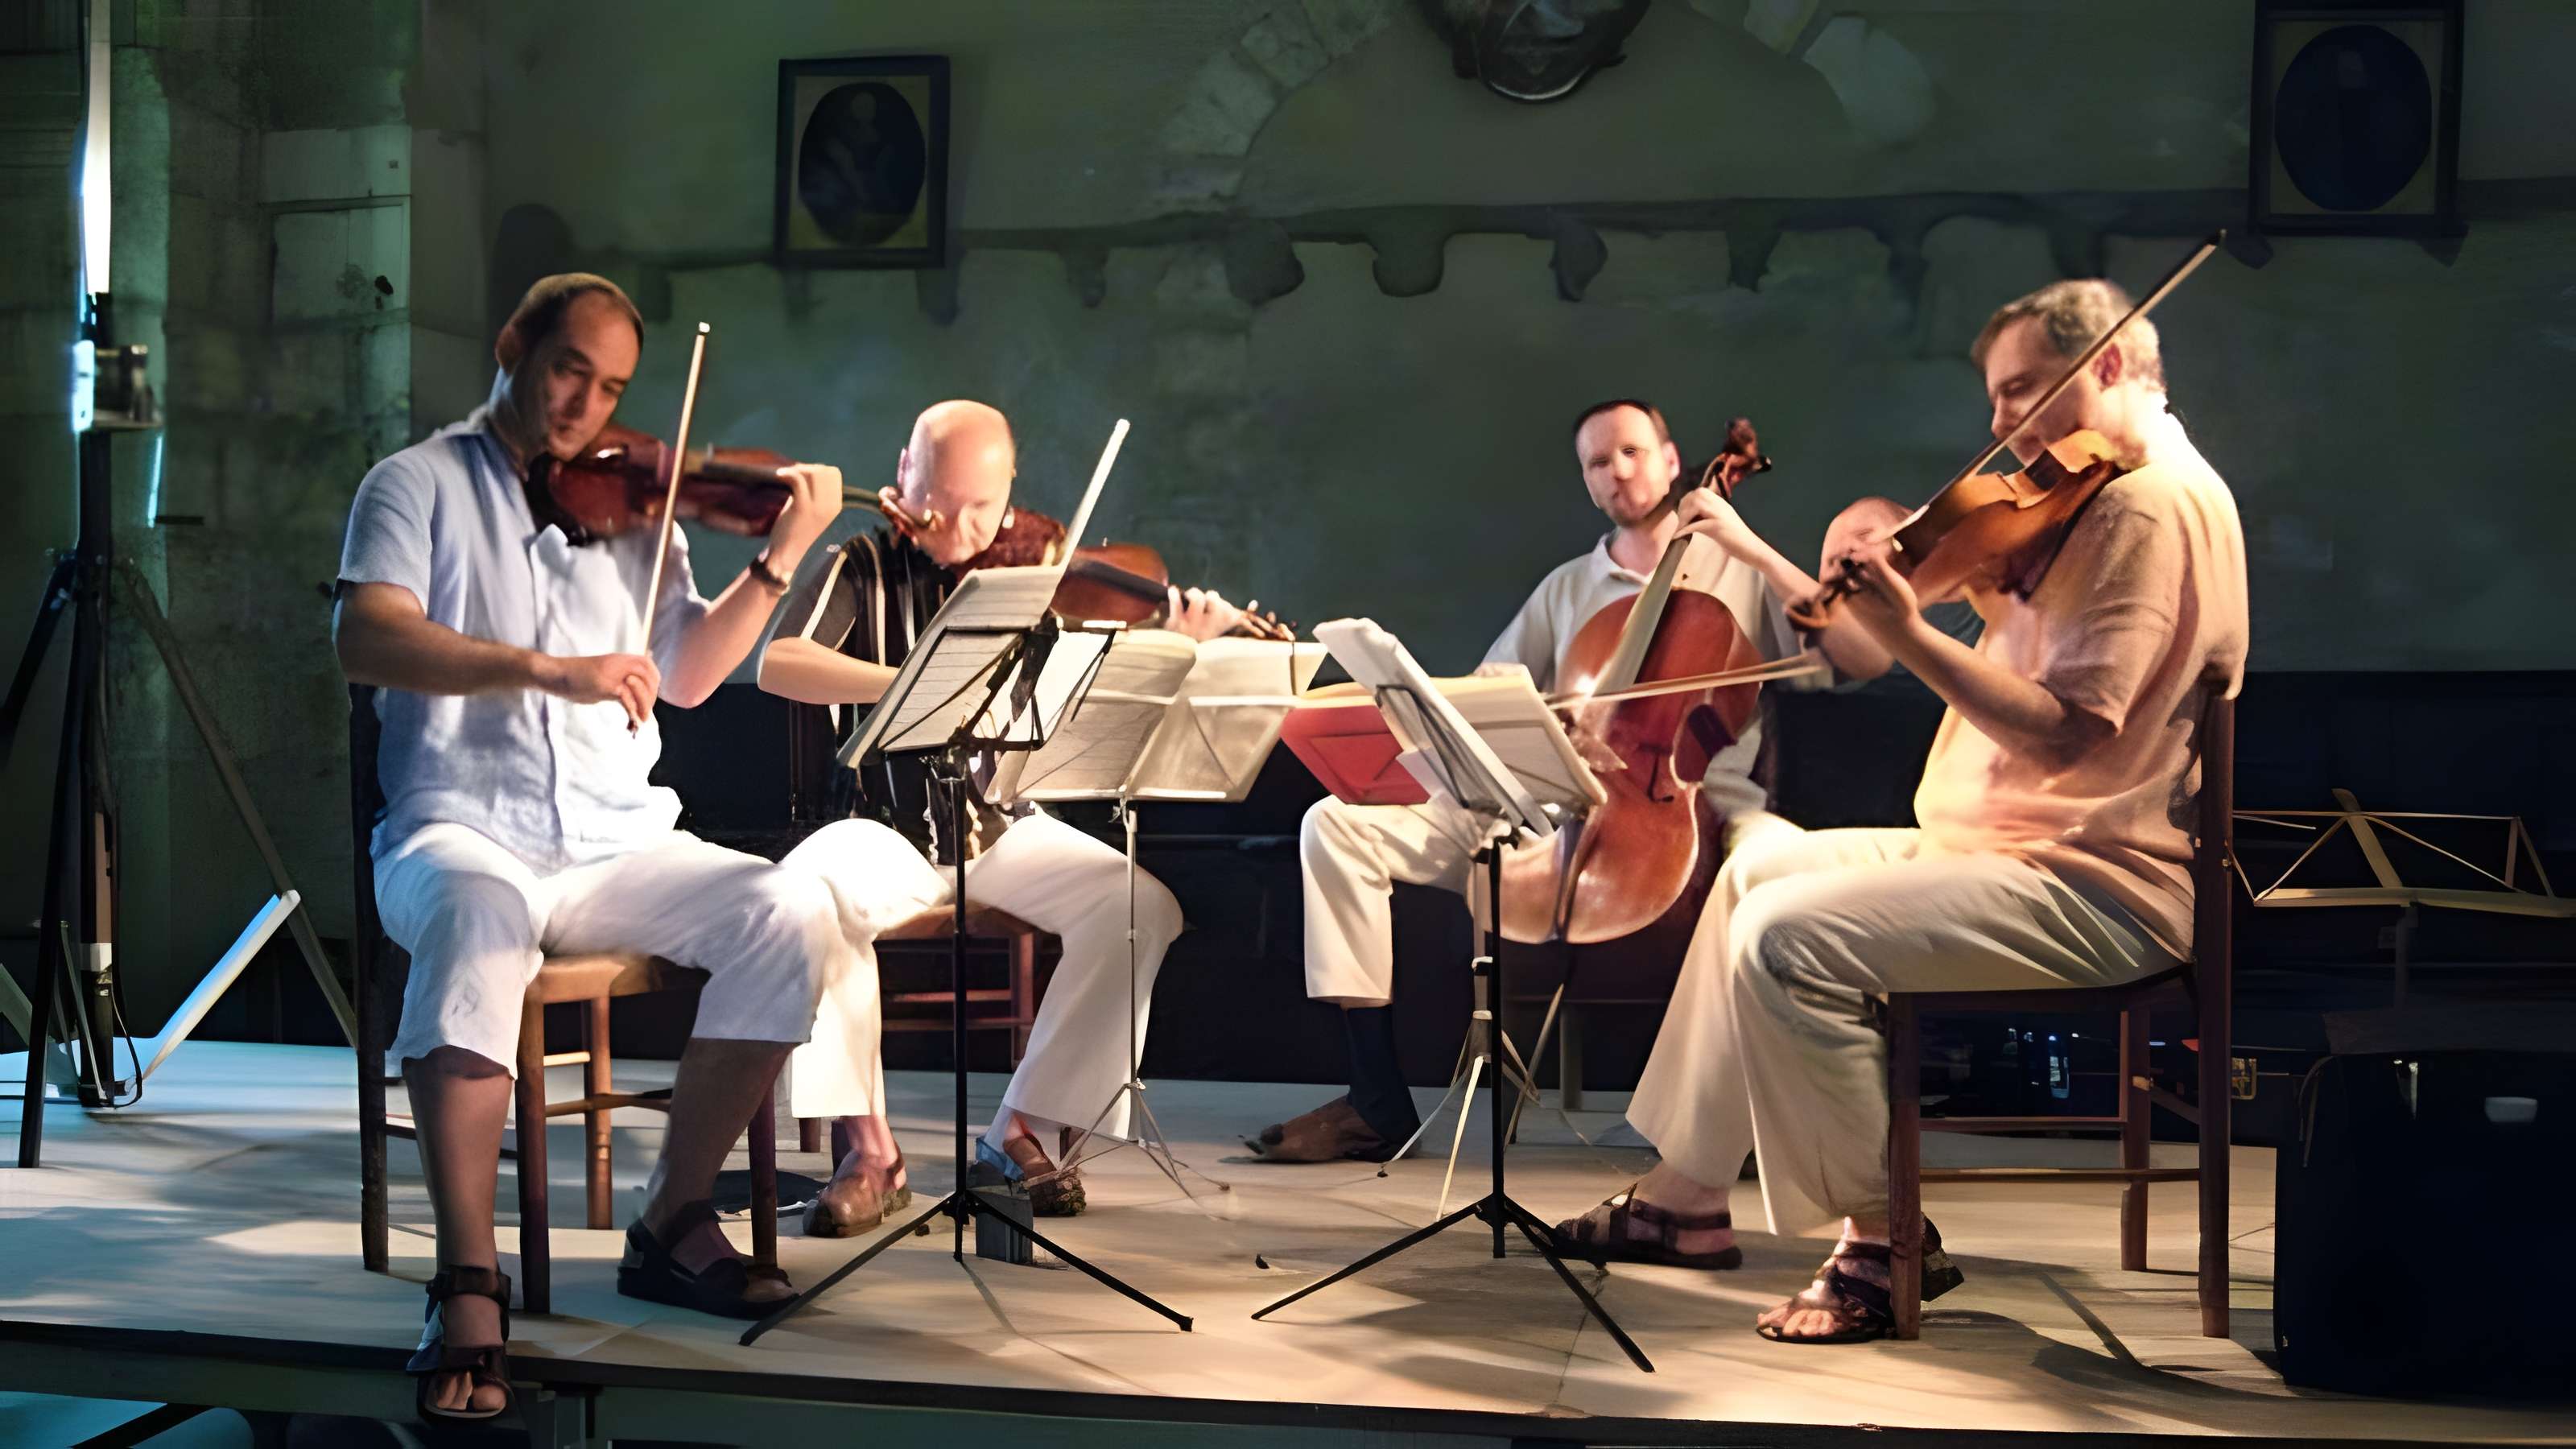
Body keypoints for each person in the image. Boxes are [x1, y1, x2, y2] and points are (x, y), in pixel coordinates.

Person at [1548, 279, 2249, 1346]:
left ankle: (1882, 1246)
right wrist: (1860, 585)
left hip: (2093, 881)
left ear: (2107, 365)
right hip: (2005, 847)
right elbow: (1868, 636)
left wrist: (1918, 635)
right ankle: (1687, 1198)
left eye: (2020, 392)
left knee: (1786, 940)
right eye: (1995, 397)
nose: (2001, 424)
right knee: (1749, 875)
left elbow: (2071, 733)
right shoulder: (2086, 499)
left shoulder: (2150, 508)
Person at [335, 274, 848, 1422]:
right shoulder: (413, 483)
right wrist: (546, 669)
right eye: (570, 369)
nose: (586, 405)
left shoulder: (634, 511)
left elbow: (694, 678)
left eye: (611, 386)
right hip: (459, 830)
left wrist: (781, 560)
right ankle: (469, 1276)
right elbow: (365, 638)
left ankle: (669, 1220)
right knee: (476, 923)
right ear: (514, 345)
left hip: (618, 844)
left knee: (789, 911)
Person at [1245, 399, 1883, 1163]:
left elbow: (1861, 659)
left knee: (1775, 871)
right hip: (1550, 820)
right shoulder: (1568, 588)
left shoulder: (1740, 571)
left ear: (1673, 460)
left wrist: (1750, 547)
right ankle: (1375, 1096)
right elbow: (1488, 689)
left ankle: (1735, 1117)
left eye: (1632, 452)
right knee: (1334, 824)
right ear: (1585, 481)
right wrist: (1545, 724)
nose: (1617, 471)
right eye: (1596, 462)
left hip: (1697, 811)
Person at [757, 399, 1254, 1228]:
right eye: (940, 499)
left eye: (981, 508)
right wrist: (909, 686)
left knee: (1139, 906)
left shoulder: (1034, 576)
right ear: (903, 473)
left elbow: (1101, 675)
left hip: (1002, 824)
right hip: (888, 830)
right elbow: (779, 663)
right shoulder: (862, 562)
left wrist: (1191, 639)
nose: (957, 525)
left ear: (1009, 493)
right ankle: (870, 1151)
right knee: (804, 894)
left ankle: (1021, 1126)